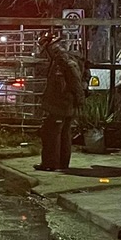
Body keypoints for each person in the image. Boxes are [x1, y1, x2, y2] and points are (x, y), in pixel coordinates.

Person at [35, 32, 85, 172]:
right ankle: (62, 163)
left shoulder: (62, 60)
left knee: (51, 133)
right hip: (65, 102)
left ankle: (51, 164)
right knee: (63, 133)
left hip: (61, 103)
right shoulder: (63, 58)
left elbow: (74, 80)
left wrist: (79, 98)